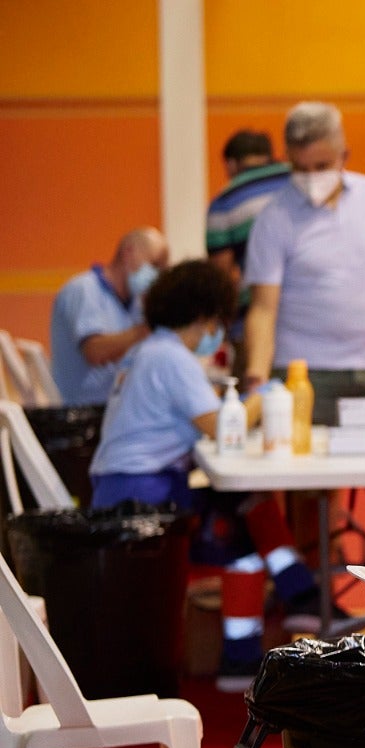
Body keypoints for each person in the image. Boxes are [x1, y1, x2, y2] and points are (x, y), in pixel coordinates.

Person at [88, 260, 331, 692]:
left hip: (124, 488)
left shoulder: (148, 351)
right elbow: (225, 428)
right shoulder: (172, 358)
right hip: (143, 501)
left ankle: (300, 598)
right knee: (237, 541)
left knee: (246, 501)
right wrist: (262, 397)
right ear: (204, 318)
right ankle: (243, 656)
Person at [242, 100, 365, 574]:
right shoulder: (274, 218)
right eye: (300, 167)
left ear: (345, 153)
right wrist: (254, 377)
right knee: (310, 496)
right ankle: (319, 606)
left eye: (322, 166)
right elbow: (263, 309)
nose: (311, 176)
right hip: (304, 378)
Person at [205, 128, 293, 377]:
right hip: (308, 322)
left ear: (231, 164)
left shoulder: (225, 201)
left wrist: (222, 328)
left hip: (252, 324)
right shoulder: (297, 182)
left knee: (256, 405)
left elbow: (221, 277)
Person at [49, 227, 169, 405]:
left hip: (117, 404)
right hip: (86, 410)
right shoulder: (84, 290)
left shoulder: (134, 302)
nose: (156, 274)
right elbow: (95, 352)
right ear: (129, 252)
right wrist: (147, 329)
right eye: (154, 265)